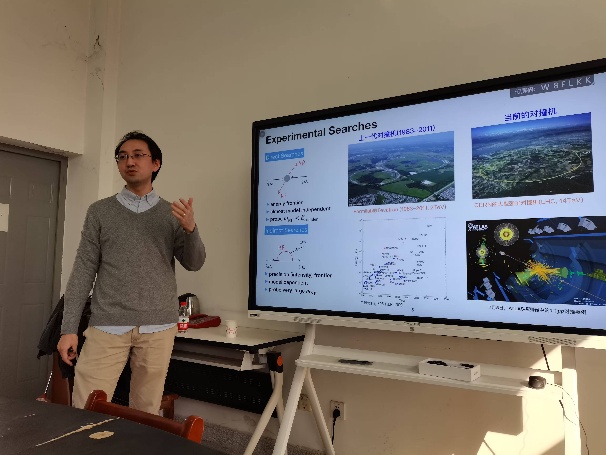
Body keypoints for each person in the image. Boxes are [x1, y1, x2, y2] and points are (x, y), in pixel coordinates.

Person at [57, 131, 206, 413]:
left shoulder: (171, 214)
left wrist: (190, 230)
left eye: (138, 155)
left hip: (158, 327)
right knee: (86, 408)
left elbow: (194, 263)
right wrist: (68, 330)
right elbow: (82, 271)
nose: (130, 162)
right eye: (123, 156)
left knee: (146, 412)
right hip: (107, 324)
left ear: (156, 164)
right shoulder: (100, 212)